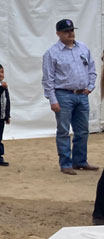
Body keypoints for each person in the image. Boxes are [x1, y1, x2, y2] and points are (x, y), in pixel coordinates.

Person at [42, 18, 98, 175]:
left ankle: (80, 161)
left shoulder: (83, 48)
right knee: (64, 131)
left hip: (82, 95)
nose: (70, 34)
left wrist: (90, 86)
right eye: (66, 31)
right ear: (58, 33)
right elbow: (48, 79)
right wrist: (53, 100)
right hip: (63, 94)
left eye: (72, 30)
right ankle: (65, 163)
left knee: (82, 130)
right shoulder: (52, 53)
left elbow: (92, 69)